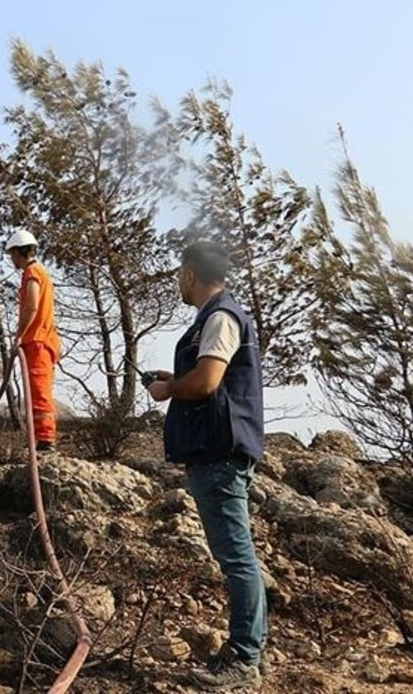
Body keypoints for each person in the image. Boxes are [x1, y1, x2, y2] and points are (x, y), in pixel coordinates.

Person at [146, 241, 268, 690]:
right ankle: (253, 650)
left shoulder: (219, 317)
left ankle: (245, 659)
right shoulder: (218, 318)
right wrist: (175, 379)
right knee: (239, 557)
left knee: (237, 558)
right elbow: (206, 378)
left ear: (191, 275)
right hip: (218, 451)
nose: (179, 279)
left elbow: (208, 381)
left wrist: (169, 389)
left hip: (219, 454)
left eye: (181, 272)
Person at [5, 228, 62, 453]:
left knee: (39, 392)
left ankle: (46, 441)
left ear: (19, 253)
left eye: (12, 255)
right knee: (38, 391)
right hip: (43, 339)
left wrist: (18, 335)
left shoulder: (33, 273)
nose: (12, 259)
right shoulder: (40, 273)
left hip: (37, 341)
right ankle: (41, 440)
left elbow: (32, 306)